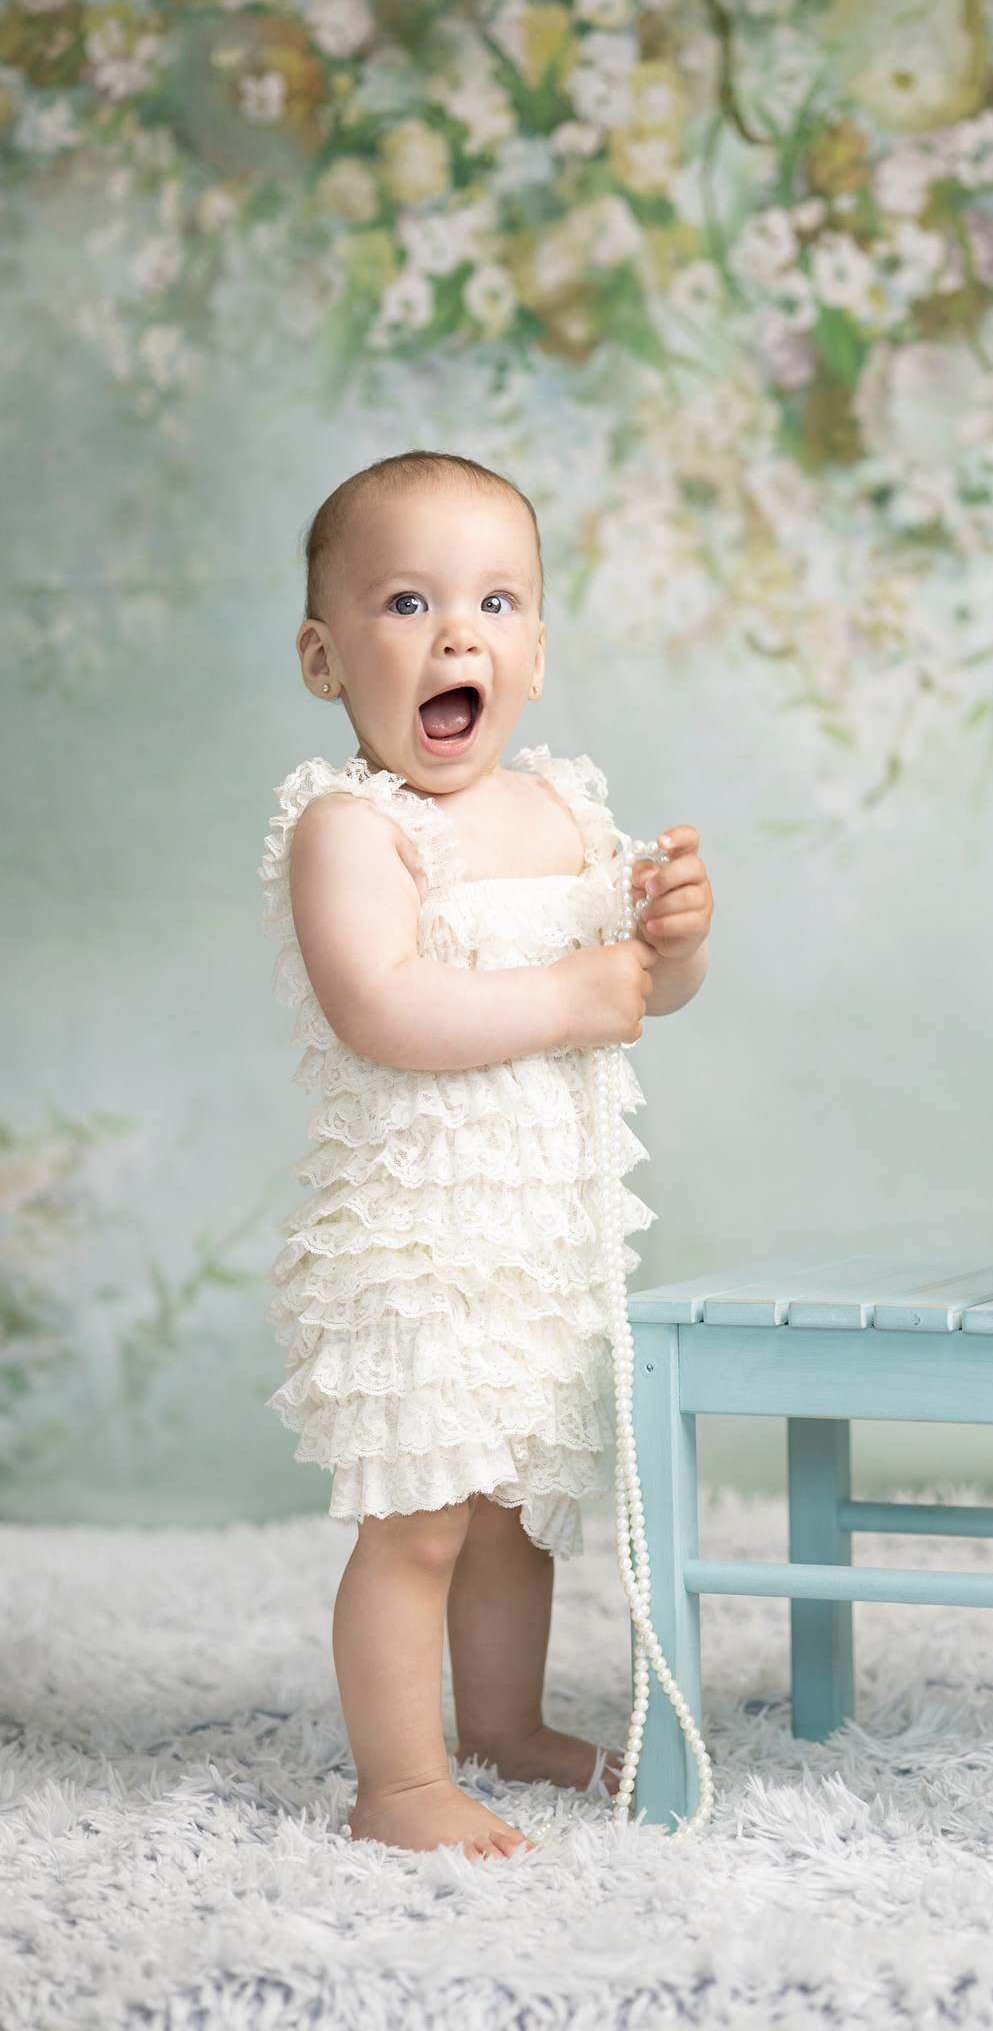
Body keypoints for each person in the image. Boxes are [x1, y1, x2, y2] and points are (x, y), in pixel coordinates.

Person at [258, 450, 713, 1859]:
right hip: (411, 1244)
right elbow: (382, 1009)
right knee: (420, 1525)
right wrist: (572, 994)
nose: (458, 633)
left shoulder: (570, 809)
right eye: (408, 602)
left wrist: (674, 943)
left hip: (544, 1239)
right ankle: (398, 1784)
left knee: (517, 1512)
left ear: (534, 651)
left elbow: (637, 993)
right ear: (327, 660)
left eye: (495, 603)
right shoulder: (351, 831)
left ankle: (502, 1725)